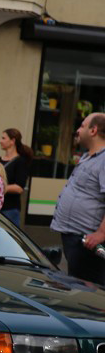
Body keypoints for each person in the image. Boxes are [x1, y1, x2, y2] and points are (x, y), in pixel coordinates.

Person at [50, 113, 105, 285]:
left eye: (82, 126)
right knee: (77, 285)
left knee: (88, 292)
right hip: (74, 236)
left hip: (87, 241)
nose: (78, 130)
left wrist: (101, 233)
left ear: (93, 130)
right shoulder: (87, 156)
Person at [0, 127, 32, 226]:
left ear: (12, 141)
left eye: (3, 138)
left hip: (10, 209)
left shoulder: (20, 161)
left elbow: (19, 188)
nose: (0, 141)